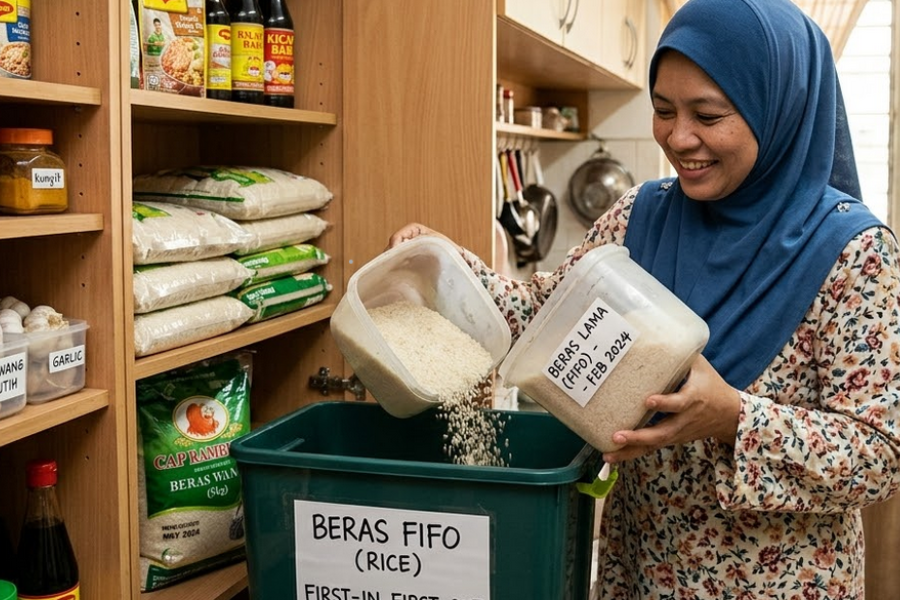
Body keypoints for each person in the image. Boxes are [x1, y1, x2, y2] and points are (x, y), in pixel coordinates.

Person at [388, 0, 900, 597]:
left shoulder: (852, 250)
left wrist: (734, 417)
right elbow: (542, 315)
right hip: (641, 571)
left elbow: (879, 454)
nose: (679, 138)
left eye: (708, 115)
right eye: (662, 110)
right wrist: (441, 265)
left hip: (779, 582)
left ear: (778, 110)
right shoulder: (642, 215)